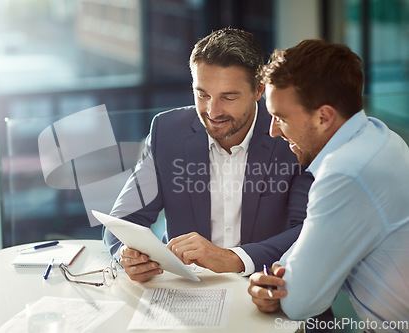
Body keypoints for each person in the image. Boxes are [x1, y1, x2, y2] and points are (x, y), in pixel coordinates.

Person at [104, 28, 313, 283]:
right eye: (202, 94)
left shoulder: (289, 136)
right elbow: (123, 220)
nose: (212, 111)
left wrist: (234, 259)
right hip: (186, 289)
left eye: (228, 97)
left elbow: (307, 230)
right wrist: (128, 255)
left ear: (259, 90)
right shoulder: (166, 132)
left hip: (263, 285)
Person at [248, 39, 409, 329]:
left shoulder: (345, 174)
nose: (272, 131)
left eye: (280, 117)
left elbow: (299, 303)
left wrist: (277, 286)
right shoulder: (378, 136)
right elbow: (310, 242)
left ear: (323, 117)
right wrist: (281, 275)